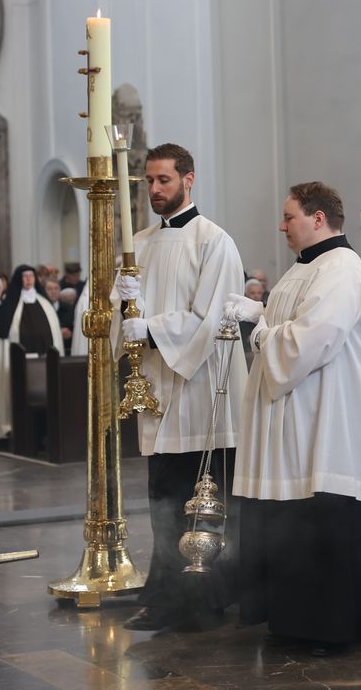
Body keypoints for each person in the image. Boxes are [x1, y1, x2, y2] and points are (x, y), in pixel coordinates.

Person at [229, 181, 361, 656]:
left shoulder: (341, 270)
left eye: (289, 216)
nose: (281, 226)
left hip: (328, 423)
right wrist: (261, 315)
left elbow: (307, 342)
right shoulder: (308, 269)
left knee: (324, 527)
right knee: (291, 526)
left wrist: (256, 328)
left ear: (318, 219)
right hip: (294, 423)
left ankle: (328, 630)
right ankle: (292, 621)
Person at [114, 142, 247, 632]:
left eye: (163, 180)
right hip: (157, 391)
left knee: (204, 501)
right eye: (148, 181)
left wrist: (149, 328)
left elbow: (210, 320)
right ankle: (165, 594)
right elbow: (119, 322)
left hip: (200, 393)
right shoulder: (142, 243)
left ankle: (204, 598)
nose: (154, 189)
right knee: (162, 498)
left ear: (189, 180)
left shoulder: (215, 242)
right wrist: (120, 303)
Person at [0, 265, 64, 440]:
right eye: (24, 276)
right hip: (18, 365)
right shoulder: (11, 305)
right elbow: (4, 334)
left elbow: (55, 334)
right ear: (19, 279)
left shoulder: (45, 304)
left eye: (31, 276)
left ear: (35, 279)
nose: (28, 280)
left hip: (44, 363)